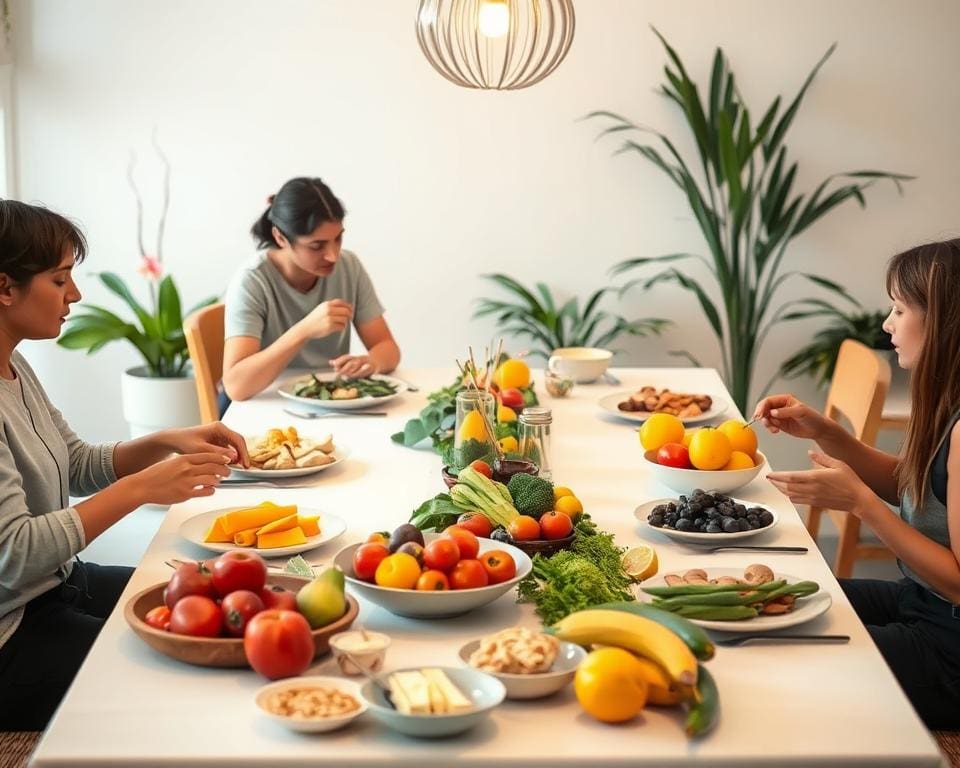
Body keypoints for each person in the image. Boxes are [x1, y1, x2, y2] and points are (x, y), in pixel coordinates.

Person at [0, 200, 250, 730]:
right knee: (173, 671)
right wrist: (140, 488)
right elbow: (15, 554)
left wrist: (167, 440)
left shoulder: (13, 363)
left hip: (56, 584)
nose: (75, 294)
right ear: (4, 288)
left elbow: (74, 461)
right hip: (13, 636)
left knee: (210, 596)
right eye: (60, 278)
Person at [755, 238, 960, 729]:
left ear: (946, 321)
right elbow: (912, 487)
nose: (888, 324)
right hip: (920, 602)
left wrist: (863, 505)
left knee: (779, 652)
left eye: (899, 309)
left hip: (949, 653)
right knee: (766, 605)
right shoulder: (945, 401)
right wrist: (827, 432)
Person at [222, 176, 400, 401]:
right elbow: (236, 387)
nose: (332, 255)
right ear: (280, 237)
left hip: (324, 402)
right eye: (317, 246)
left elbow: (388, 349)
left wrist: (371, 362)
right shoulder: (252, 280)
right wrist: (304, 329)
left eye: (338, 239)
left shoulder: (349, 267)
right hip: (264, 403)